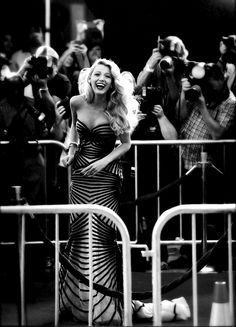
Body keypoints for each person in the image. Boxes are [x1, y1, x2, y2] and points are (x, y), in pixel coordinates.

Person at [59, 58, 190, 324]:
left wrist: (103, 162)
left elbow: (125, 144)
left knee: (102, 239)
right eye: (97, 73)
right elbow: (73, 132)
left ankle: (110, 302)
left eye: (107, 76)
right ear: (90, 76)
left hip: (106, 181)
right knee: (78, 236)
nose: (101, 79)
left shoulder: (116, 107)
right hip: (80, 181)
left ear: (112, 81)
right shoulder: (76, 102)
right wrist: (69, 152)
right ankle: (80, 301)